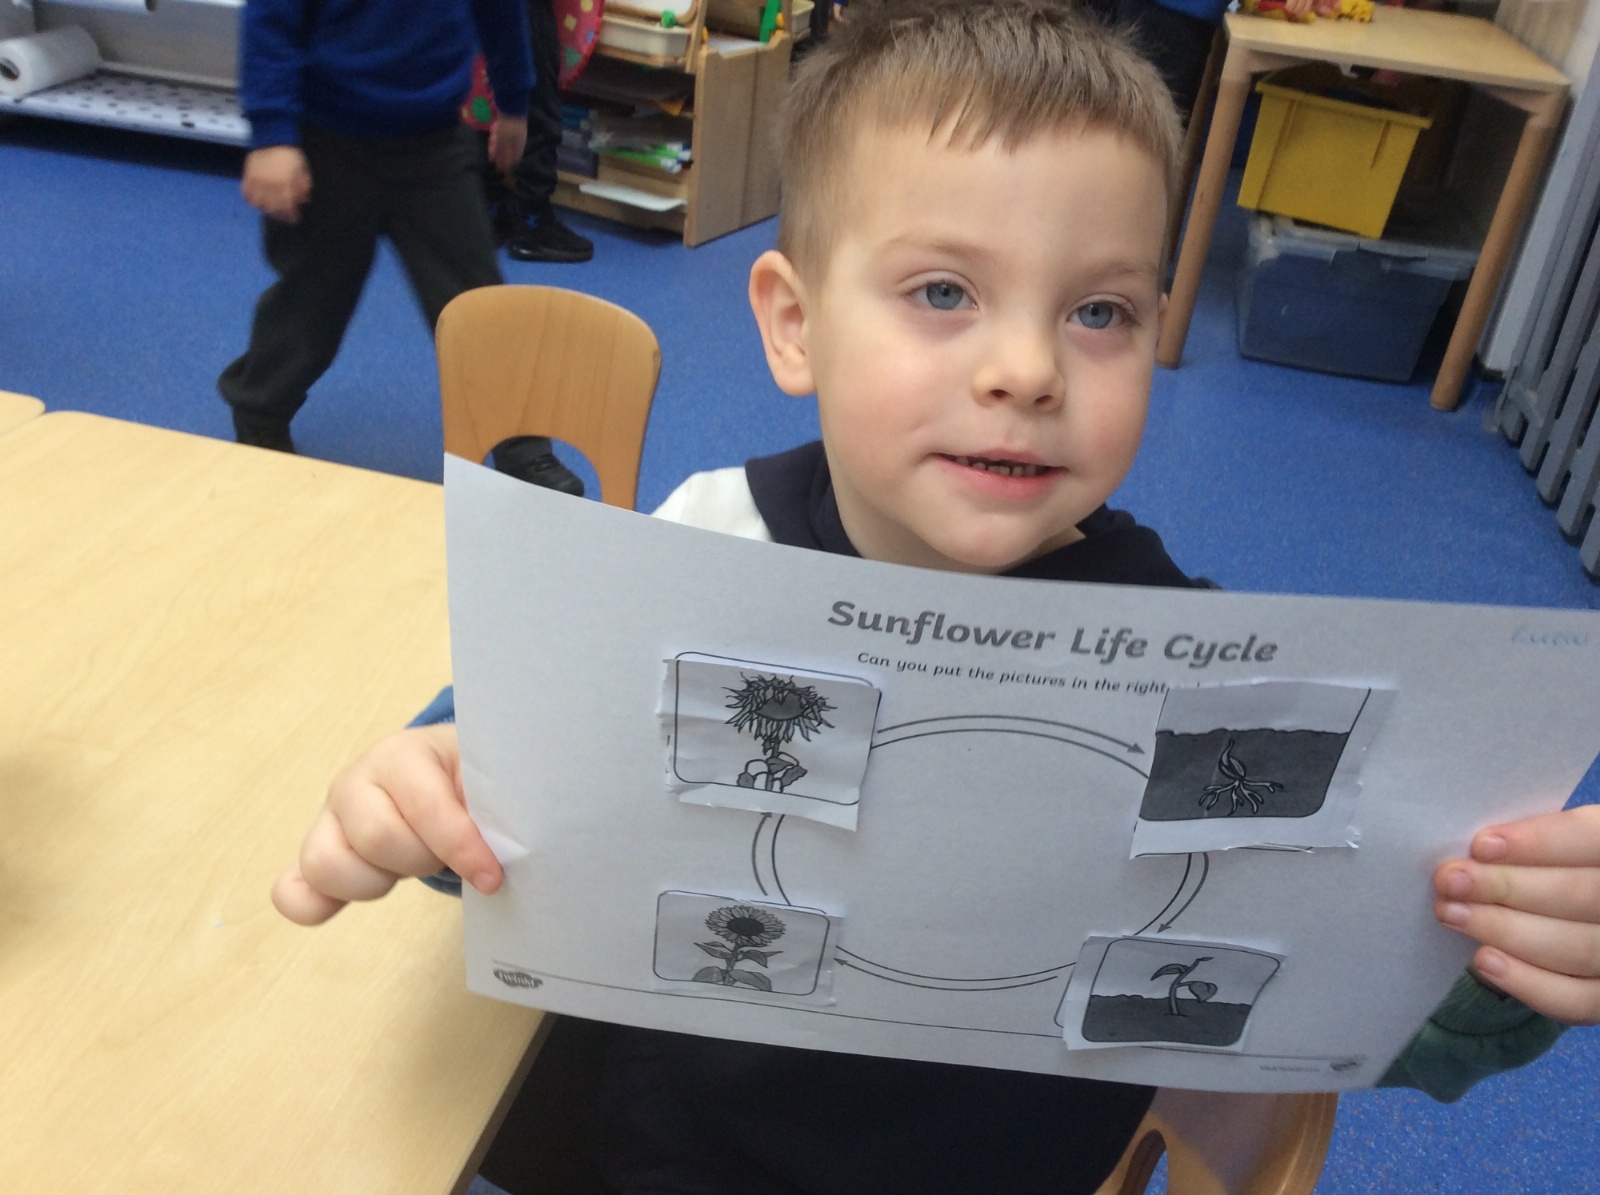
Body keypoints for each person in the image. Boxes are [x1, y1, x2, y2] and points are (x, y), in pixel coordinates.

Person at [270, 3, 1600, 1191]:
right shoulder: (704, 544)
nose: (1027, 368)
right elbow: (497, 781)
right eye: (944, 291)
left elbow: (1344, 988)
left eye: (1100, 312)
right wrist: (420, 785)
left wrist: (1505, 948)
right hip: (672, 1147)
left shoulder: (1188, 665)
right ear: (795, 323)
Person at [217, 0, 535, 455]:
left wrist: (514, 103)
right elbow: (272, 19)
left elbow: (502, 12)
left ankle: (521, 444)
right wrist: (272, 135)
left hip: (434, 143)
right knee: (312, 302)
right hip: (327, 141)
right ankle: (260, 411)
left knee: (475, 302)